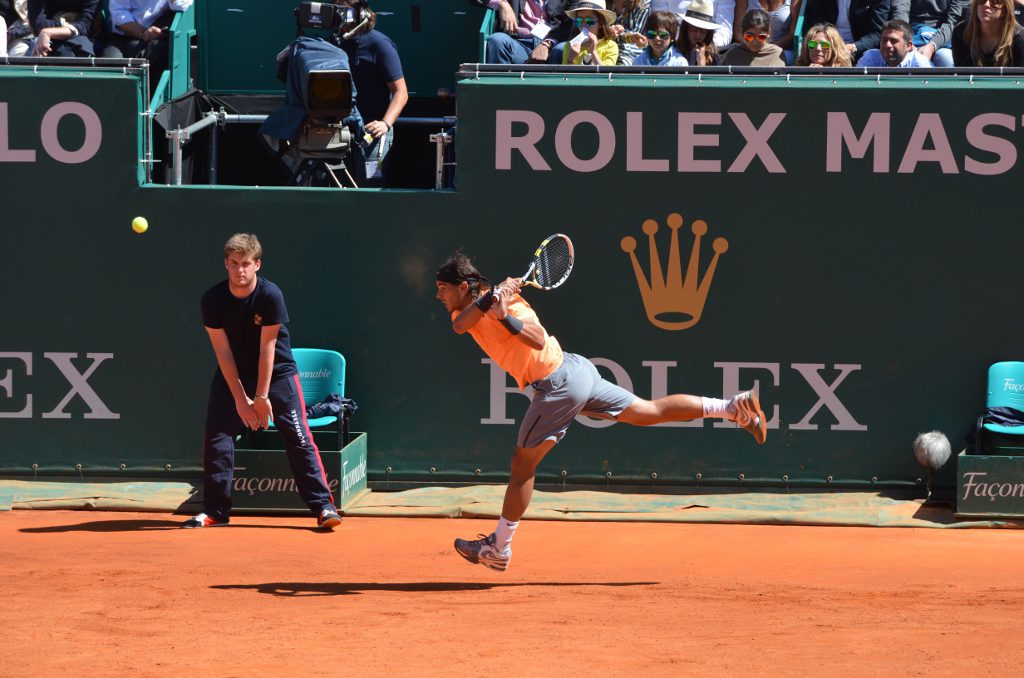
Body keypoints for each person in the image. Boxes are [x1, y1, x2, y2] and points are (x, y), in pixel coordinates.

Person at [435, 252, 767, 572]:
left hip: (558, 382)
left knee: (522, 467)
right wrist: (490, 301)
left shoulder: (514, 304)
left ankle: (499, 547)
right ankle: (732, 409)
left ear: (462, 287)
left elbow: (537, 341)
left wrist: (504, 312)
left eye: (443, 289)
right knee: (646, 411)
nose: (439, 296)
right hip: (575, 373)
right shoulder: (466, 310)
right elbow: (460, 326)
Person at [185, 234, 342, 530]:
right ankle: (216, 511)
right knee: (217, 437)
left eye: (245, 264)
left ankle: (323, 506)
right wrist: (240, 400)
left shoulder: (271, 295)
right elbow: (222, 352)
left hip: (278, 373)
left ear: (257, 264)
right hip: (234, 374)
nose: (239, 270)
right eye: (233, 264)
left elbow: (268, 348)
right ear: (226, 264)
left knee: (298, 437)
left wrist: (260, 397)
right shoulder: (213, 299)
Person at [337, 0, 408, 186]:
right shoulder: (333, 44)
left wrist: (385, 123)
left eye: (346, 7)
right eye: (337, 6)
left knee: (371, 188)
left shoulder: (379, 44)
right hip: (340, 132)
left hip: (372, 135)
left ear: (361, 13)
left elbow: (401, 92)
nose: (341, 12)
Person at [99, 0, 192, 86]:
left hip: (155, 37)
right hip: (122, 35)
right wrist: (143, 33)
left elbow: (184, 5)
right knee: (109, 68)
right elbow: (118, 13)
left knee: (158, 52)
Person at [484, 0, 571, 64]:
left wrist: (547, 44)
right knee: (498, 40)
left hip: (552, 46)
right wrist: (501, 3)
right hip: (519, 44)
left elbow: (570, 22)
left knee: (564, 49)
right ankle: (500, 87)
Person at [802, 0, 889, 62]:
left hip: (859, 49)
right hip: (828, 45)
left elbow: (876, 34)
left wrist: (853, 47)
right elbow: (818, 26)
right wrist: (835, 46)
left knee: (871, 56)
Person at [891, 0, 968, 66]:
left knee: (946, 58)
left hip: (943, 38)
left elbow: (953, 21)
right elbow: (900, 10)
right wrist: (907, 42)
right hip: (911, 35)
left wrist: (932, 45)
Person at [952, 0, 1024, 65]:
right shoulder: (961, 32)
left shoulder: (1019, 38)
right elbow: (962, 75)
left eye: (994, 1)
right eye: (981, 0)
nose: (986, 4)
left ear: (1005, 9)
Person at [27, 0, 99, 56]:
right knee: (37, 47)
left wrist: (48, 32)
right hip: (44, 37)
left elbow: (86, 25)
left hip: (81, 38)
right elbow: (38, 24)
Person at [856, 18, 935, 64]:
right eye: (884, 40)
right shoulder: (870, 58)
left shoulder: (919, 63)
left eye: (893, 41)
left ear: (908, 45)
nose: (887, 45)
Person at [721, 8, 786, 63]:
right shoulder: (731, 56)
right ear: (742, 33)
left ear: (768, 33)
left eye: (761, 37)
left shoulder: (777, 54)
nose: (755, 42)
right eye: (749, 36)